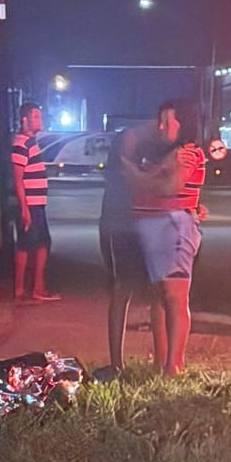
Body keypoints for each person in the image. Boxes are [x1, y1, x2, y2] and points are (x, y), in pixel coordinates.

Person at [124, 100, 204, 378]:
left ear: (184, 124)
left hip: (175, 228)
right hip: (156, 228)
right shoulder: (166, 155)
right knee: (159, 296)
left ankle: (174, 366)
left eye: (167, 122)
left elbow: (171, 187)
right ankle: (161, 362)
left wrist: (136, 175)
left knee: (175, 297)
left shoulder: (188, 153)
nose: (160, 127)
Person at [97, 124, 149, 378]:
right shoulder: (121, 175)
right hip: (120, 230)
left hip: (135, 229)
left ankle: (164, 360)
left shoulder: (135, 169)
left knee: (159, 292)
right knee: (121, 289)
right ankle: (116, 363)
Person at [10, 102, 57, 302]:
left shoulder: (31, 142)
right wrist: (24, 208)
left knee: (39, 243)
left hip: (36, 203)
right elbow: (18, 179)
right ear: (25, 120)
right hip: (30, 204)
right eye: (36, 117)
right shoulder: (21, 144)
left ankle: (34, 287)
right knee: (29, 244)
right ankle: (29, 289)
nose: (40, 121)